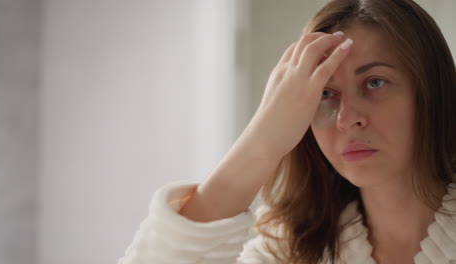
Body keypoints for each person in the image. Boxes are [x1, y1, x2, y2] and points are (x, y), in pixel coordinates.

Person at [118, 0, 456, 263]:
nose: (347, 118)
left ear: (432, 90)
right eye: (325, 93)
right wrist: (264, 139)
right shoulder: (291, 247)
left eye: (375, 82)